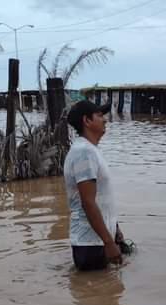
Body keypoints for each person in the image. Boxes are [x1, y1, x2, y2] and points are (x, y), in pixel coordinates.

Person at [64, 100, 129, 271]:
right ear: (87, 121)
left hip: (98, 240)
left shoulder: (90, 150)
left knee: (107, 293)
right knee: (100, 294)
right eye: (99, 116)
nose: (105, 120)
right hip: (91, 244)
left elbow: (101, 197)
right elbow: (88, 202)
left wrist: (115, 229)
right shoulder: (83, 152)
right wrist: (108, 243)